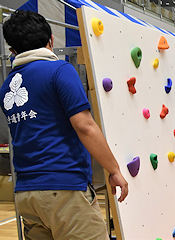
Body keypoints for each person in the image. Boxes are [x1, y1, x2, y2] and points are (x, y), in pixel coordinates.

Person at [0, 10, 128, 239]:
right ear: (51, 40)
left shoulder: (7, 86)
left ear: (12, 51)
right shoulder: (59, 71)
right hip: (63, 189)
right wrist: (114, 169)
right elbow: (85, 126)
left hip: (26, 195)